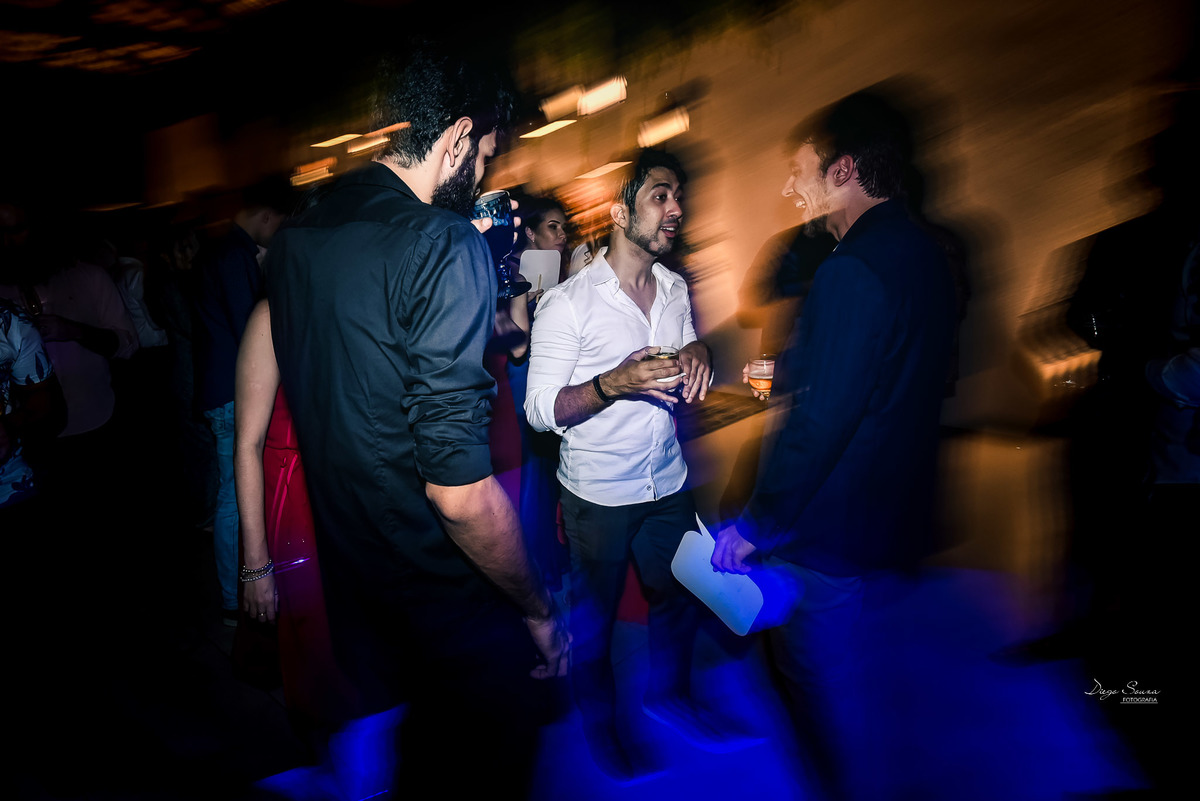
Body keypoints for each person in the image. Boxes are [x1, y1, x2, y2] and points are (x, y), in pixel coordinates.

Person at [264, 44, 569, 796]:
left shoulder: (301, 234)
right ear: (456, 137)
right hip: (446, 595)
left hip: (357, 589)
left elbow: (357, 371)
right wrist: (535, 607)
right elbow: (459, 492)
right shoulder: (442, 240)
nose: (488, 177)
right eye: (487, 156)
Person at [712, 92, 957, 801]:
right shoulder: (921, 251)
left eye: (801, 170)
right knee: (862, 685)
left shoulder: (849, 267)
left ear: (844, 167)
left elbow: (821, 422)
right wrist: (772, 375)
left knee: (827, 692)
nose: (791, 187)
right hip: (889, 518)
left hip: (834, 528)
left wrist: (756, 524)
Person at [526, 149, 725, 781]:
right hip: (597, 498)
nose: (677, 208)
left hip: (666, 482)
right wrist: (611, 384)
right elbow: (539, 410)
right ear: (620, 212)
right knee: (599, 624)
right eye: (660, 196)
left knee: (686, 594)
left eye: (678, 196)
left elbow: (687, 337)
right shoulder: (568, 304)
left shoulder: (673, 285)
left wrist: (697, 350)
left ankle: (672, 694)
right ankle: (604, 727)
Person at [193, 177, 293, 626]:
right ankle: (237, 599)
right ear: (268, 216)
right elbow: (249, 325)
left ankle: (235, 594)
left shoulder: (216, 249)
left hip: (216, 387)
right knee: (235, 498)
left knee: (230, 495)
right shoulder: (234, 254)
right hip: (232, 391)